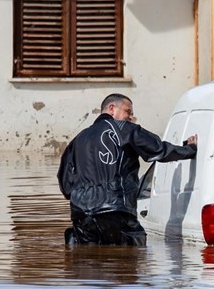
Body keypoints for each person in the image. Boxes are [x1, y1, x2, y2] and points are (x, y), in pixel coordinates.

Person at [58, 93, 197, 246]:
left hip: (81, 216)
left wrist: (85, 196)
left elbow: (65, 185)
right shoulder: (124, 128)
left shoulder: (77, 140)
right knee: (129, 261)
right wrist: (189, 149)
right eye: (128, 112)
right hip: (116, 211)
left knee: (89, 264)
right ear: (112, 109)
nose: (131, 117)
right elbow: (159, 150)